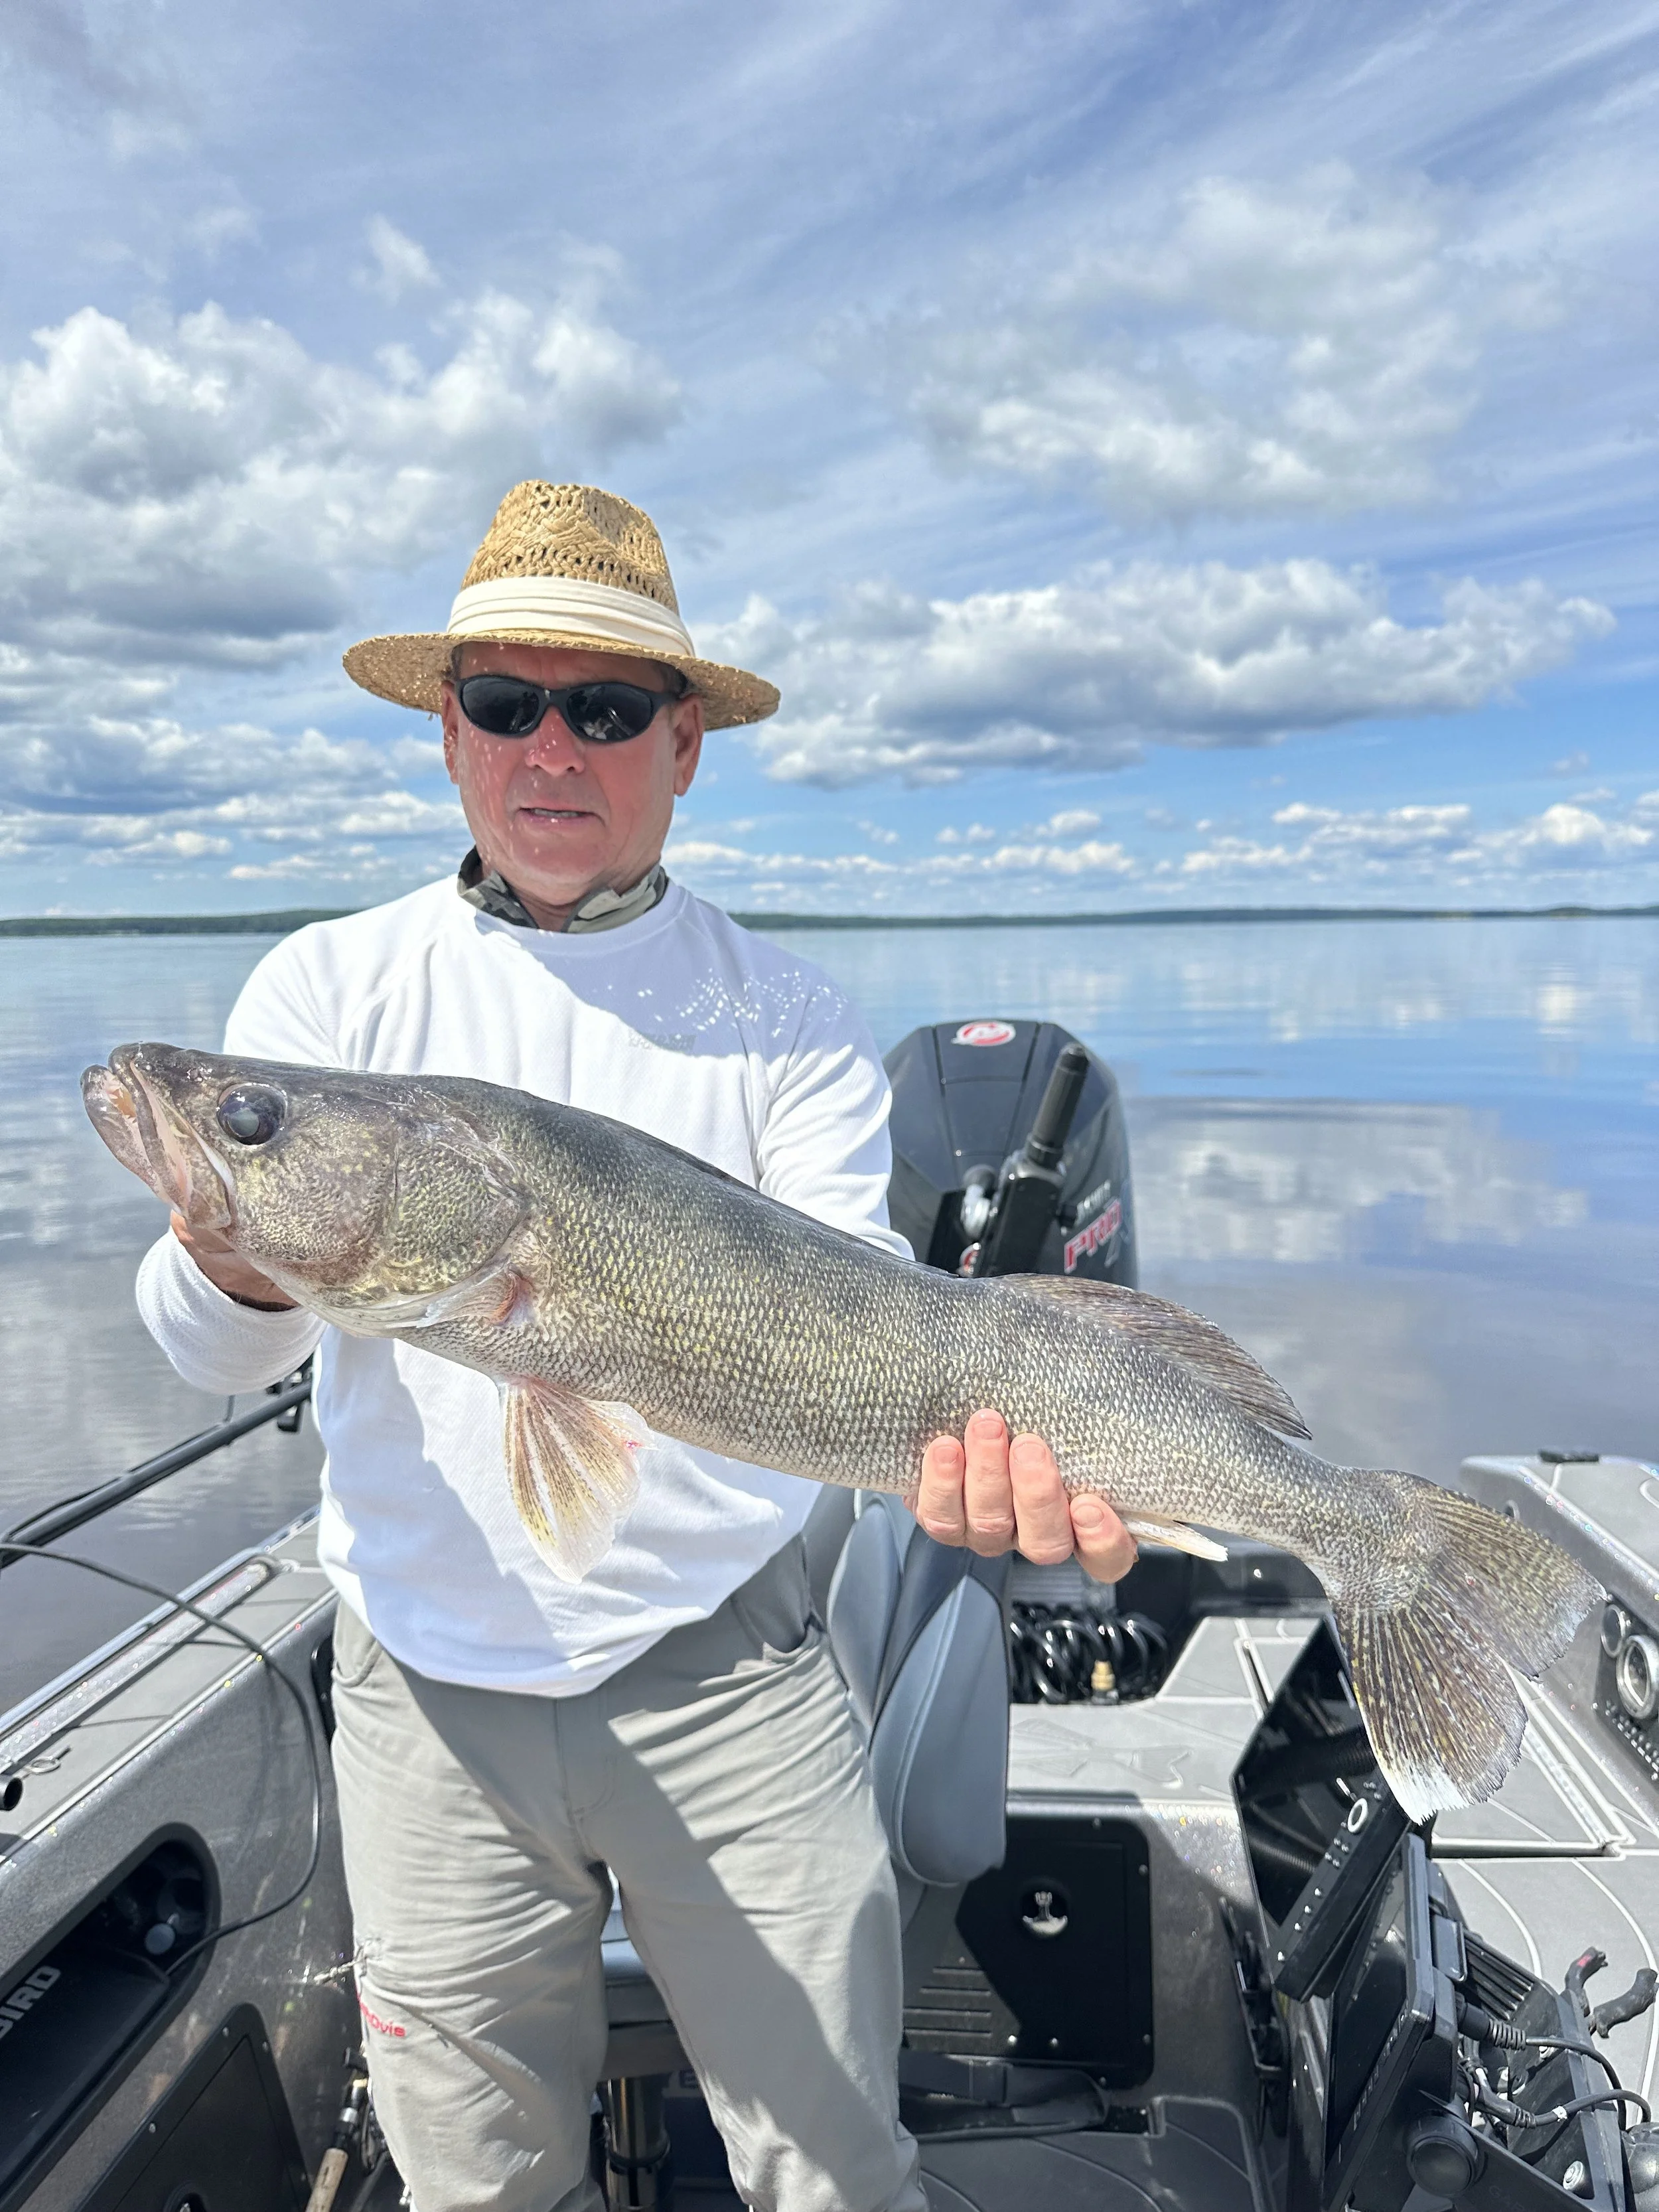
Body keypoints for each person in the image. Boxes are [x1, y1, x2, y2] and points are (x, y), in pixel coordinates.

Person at [135, 482, 1135, 2212]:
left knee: (836, 2169)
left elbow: (861, 1328)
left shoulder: (787, 1021)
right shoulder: (327, 995)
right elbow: (213, 1353)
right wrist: (226, 1253)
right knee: (473, 2181)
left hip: (728, 1668)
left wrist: (990, 1467)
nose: (551, 746)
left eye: (602, 706)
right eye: (505, 702)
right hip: (423, 1688)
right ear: (445, 734)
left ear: (684, 743)